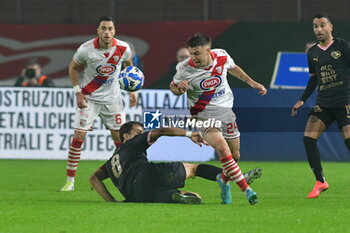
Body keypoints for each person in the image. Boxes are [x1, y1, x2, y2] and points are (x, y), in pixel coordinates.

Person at [169, 33, 267, 204]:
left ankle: (223, 180)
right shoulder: (184, 68)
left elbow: (233, 67)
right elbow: (173, 87)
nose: (193, 57)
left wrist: (252, 82)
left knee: (235, 156)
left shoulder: (221, 55)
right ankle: (247, 190)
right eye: (191, 53)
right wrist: (180, 89)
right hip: (202, 115)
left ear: (208, 51)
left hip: (226, 112)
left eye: (197, 53)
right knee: (222, 148)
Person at [90, 121, 261, 204]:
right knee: (193, 168)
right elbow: (162, 130)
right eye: (138, 131)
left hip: (136, 195)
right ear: (125, 136)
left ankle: (176, 195)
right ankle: (230, 176)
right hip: (148, 175)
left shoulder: (111, 161)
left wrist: (111, 201)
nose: (141, 134)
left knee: (197, 197)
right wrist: (190, 134)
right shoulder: (133, 143)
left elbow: (94, 178)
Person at [60, 16, 137, 191]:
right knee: (78, 137)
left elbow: (129, 66)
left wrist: (132, 90)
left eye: (110, 28)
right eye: (103, 28)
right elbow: (72, 68)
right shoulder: (86, 49)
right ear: (98, 30)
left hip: (113, 100)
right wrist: (77, 93)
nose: (107, 32)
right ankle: (69, 182)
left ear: (114, 31)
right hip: (90, 99)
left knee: (121, 140)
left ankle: (124, 177)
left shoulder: (123, 48)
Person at [291, 13, 350, 198]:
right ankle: (320, 181)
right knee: (308, 139)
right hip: (324, 103)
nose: (319, 30)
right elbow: (313, 80)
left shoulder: (343, 46)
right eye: (315, 26)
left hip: (344, 102)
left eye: (322, 25)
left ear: (330, 27)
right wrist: (302, 99)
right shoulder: (313, 53)